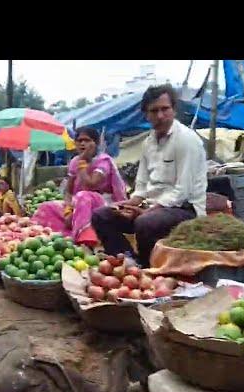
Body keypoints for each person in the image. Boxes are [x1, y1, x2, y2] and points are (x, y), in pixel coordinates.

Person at [91, 84, 207, 267]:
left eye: (165, 109)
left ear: (174, 110)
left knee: (145, 222)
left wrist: (146, 211)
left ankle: (147, 266)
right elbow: (142, 185)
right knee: (102, 215)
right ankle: (128, 260)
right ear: (146, 115)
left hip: (185, 209)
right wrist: (128, 205)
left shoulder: (187, 140)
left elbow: (183, 191)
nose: (160, 116)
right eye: (154, 111)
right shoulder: (148, 143)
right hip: (153, 207)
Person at [32, 126, 127, 247]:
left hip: (102, 203)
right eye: (79, 140)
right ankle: (51, 237)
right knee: (47, 207)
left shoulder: (103, 161)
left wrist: (82, 162)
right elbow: (69, 192)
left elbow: (90, 184)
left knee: (83, 196)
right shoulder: (74, 162)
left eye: (87, 140)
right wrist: (67, 211)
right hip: (78, 203)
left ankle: (83, 239)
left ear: (96, 143)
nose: (82, 144)